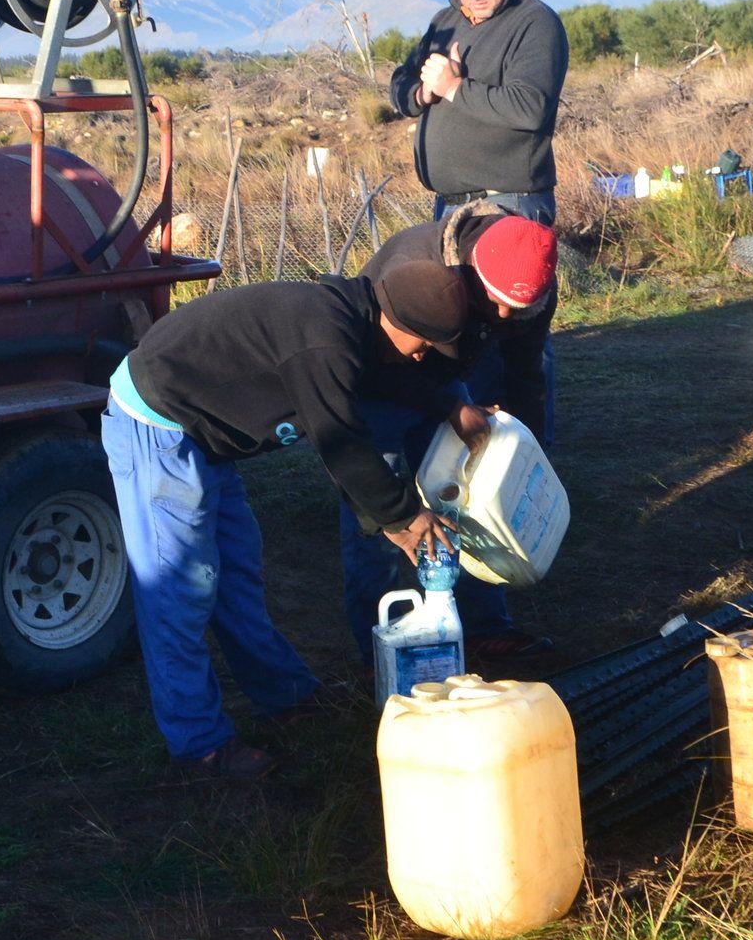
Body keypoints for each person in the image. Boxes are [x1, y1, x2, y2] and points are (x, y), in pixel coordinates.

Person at [104, 262, 488, 779]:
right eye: (421, 346)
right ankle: (199, 748)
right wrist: (402, 516)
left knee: (238, 575)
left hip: (208, 436)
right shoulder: (324, 341)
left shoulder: (358, 319)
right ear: (394, 318)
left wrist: (449, 407)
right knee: (180, 592)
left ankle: (282, 696)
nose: (421, 358)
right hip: (161, 424)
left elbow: (386, 376)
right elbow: (342, 441)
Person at [339, 208, 559, 666]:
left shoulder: (533, 288)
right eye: (495, 300)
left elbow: (526, 369)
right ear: (474, 267)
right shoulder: (413, 269)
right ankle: (375, 651)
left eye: (515, 310)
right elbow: (374, 365)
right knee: (378, 517)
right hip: (377, 382)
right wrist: (450, 408)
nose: (503, 315)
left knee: (469, 497)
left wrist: (525, 449)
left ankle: (482, 629)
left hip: (446, 381)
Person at [387, 0, 570, 230]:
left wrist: (453, 87)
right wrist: (424, 93)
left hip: (508, 205)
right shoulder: (445, 21)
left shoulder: (536, 23)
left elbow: (530, 107)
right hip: (449, 205)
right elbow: (399, 84)